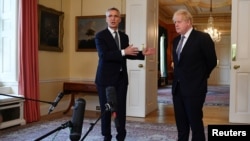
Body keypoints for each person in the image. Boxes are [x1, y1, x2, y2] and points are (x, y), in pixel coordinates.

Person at [94, 7, 155, 141]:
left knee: (121, 109)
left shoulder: (123, 36)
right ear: (106, 19)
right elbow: (104, 55)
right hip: (105, 79)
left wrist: (141, 53)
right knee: (106, 110)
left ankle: (121, 135)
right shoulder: (100, 36)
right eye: (110, 16)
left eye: (116, 16)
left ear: (120, 19)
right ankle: (107, 136)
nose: (113, 18)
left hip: (121, 79)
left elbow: (128, 54)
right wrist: (123, 52)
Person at [171, 9, 217, 141]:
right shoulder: (175, 41)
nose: (176, 25)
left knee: (195, 123)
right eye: (175, 22)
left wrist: (200, 77)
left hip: (195, 88)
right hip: (177, 88)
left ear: (189, 22)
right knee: (181, 124)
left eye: (179, 22)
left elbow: (212, 61)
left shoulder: (203, 38)